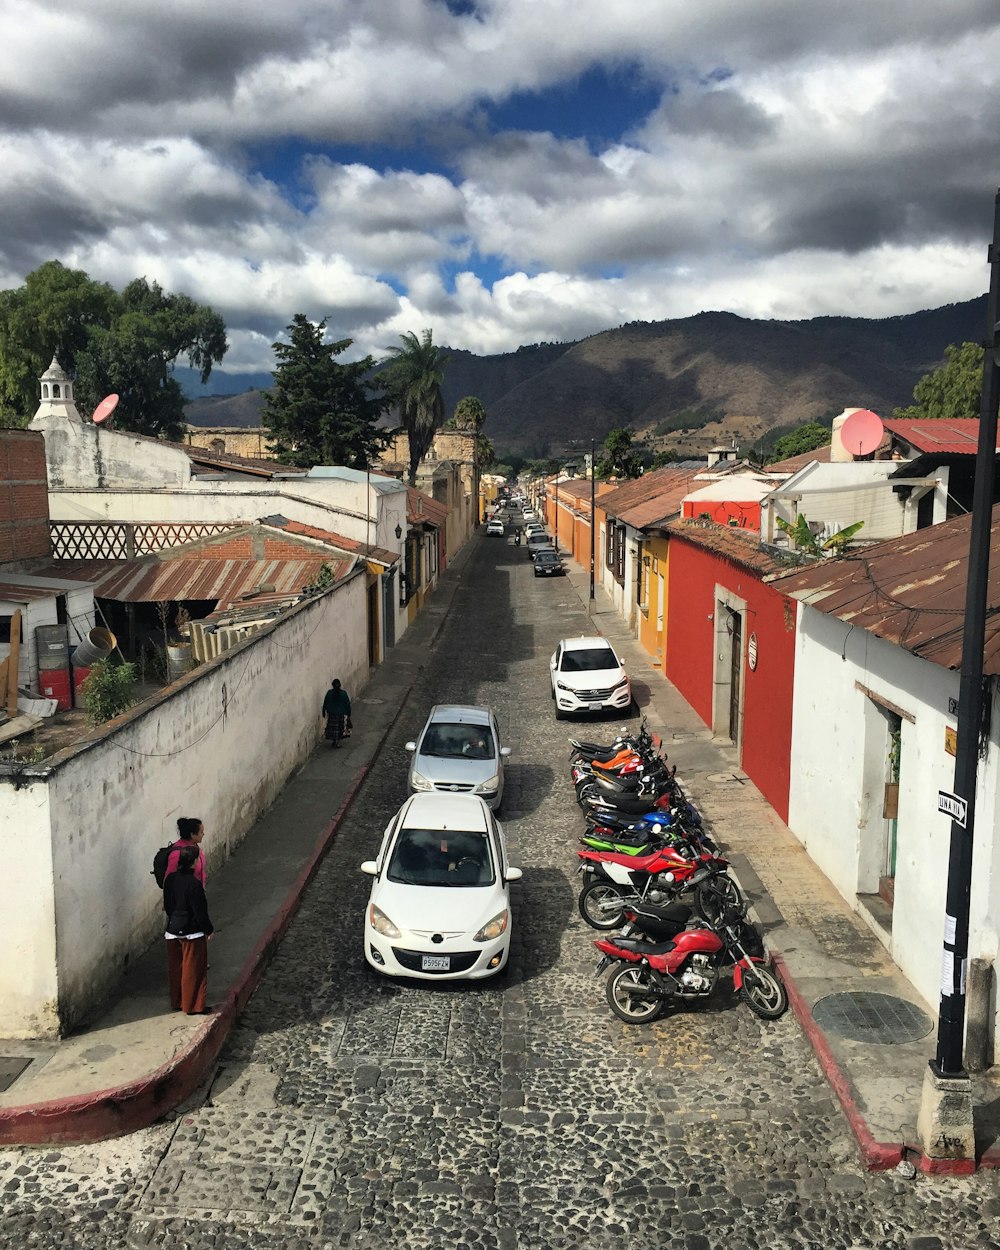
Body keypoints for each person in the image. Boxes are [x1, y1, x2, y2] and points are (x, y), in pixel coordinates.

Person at [164, 845, 214, 1014]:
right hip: (192, 932)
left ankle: (177, 1001)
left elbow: (168, 904)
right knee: (192, 969)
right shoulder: (194, 884)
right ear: (194, 862)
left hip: (172, 929)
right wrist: (209, 929)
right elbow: (199, 911)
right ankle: (192, 1005)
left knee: (176, 968)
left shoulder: (171, 879)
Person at [163, 817, 207, 887]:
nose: (203, 834)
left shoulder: (194, 846)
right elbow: (169, 881)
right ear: (192, 835)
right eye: (201, 832)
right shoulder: (177, 854)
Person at [322, 677, 352, 748]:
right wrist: (349, 713)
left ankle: (334, 741)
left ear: (332, 685)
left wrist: (324, 711)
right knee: (339, 728)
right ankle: (337, 742)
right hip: (341, 714)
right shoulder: (343, 694)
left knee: (333, 728)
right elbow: (347, 704)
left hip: (332, 713)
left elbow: (325, 703)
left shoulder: (329, 693)